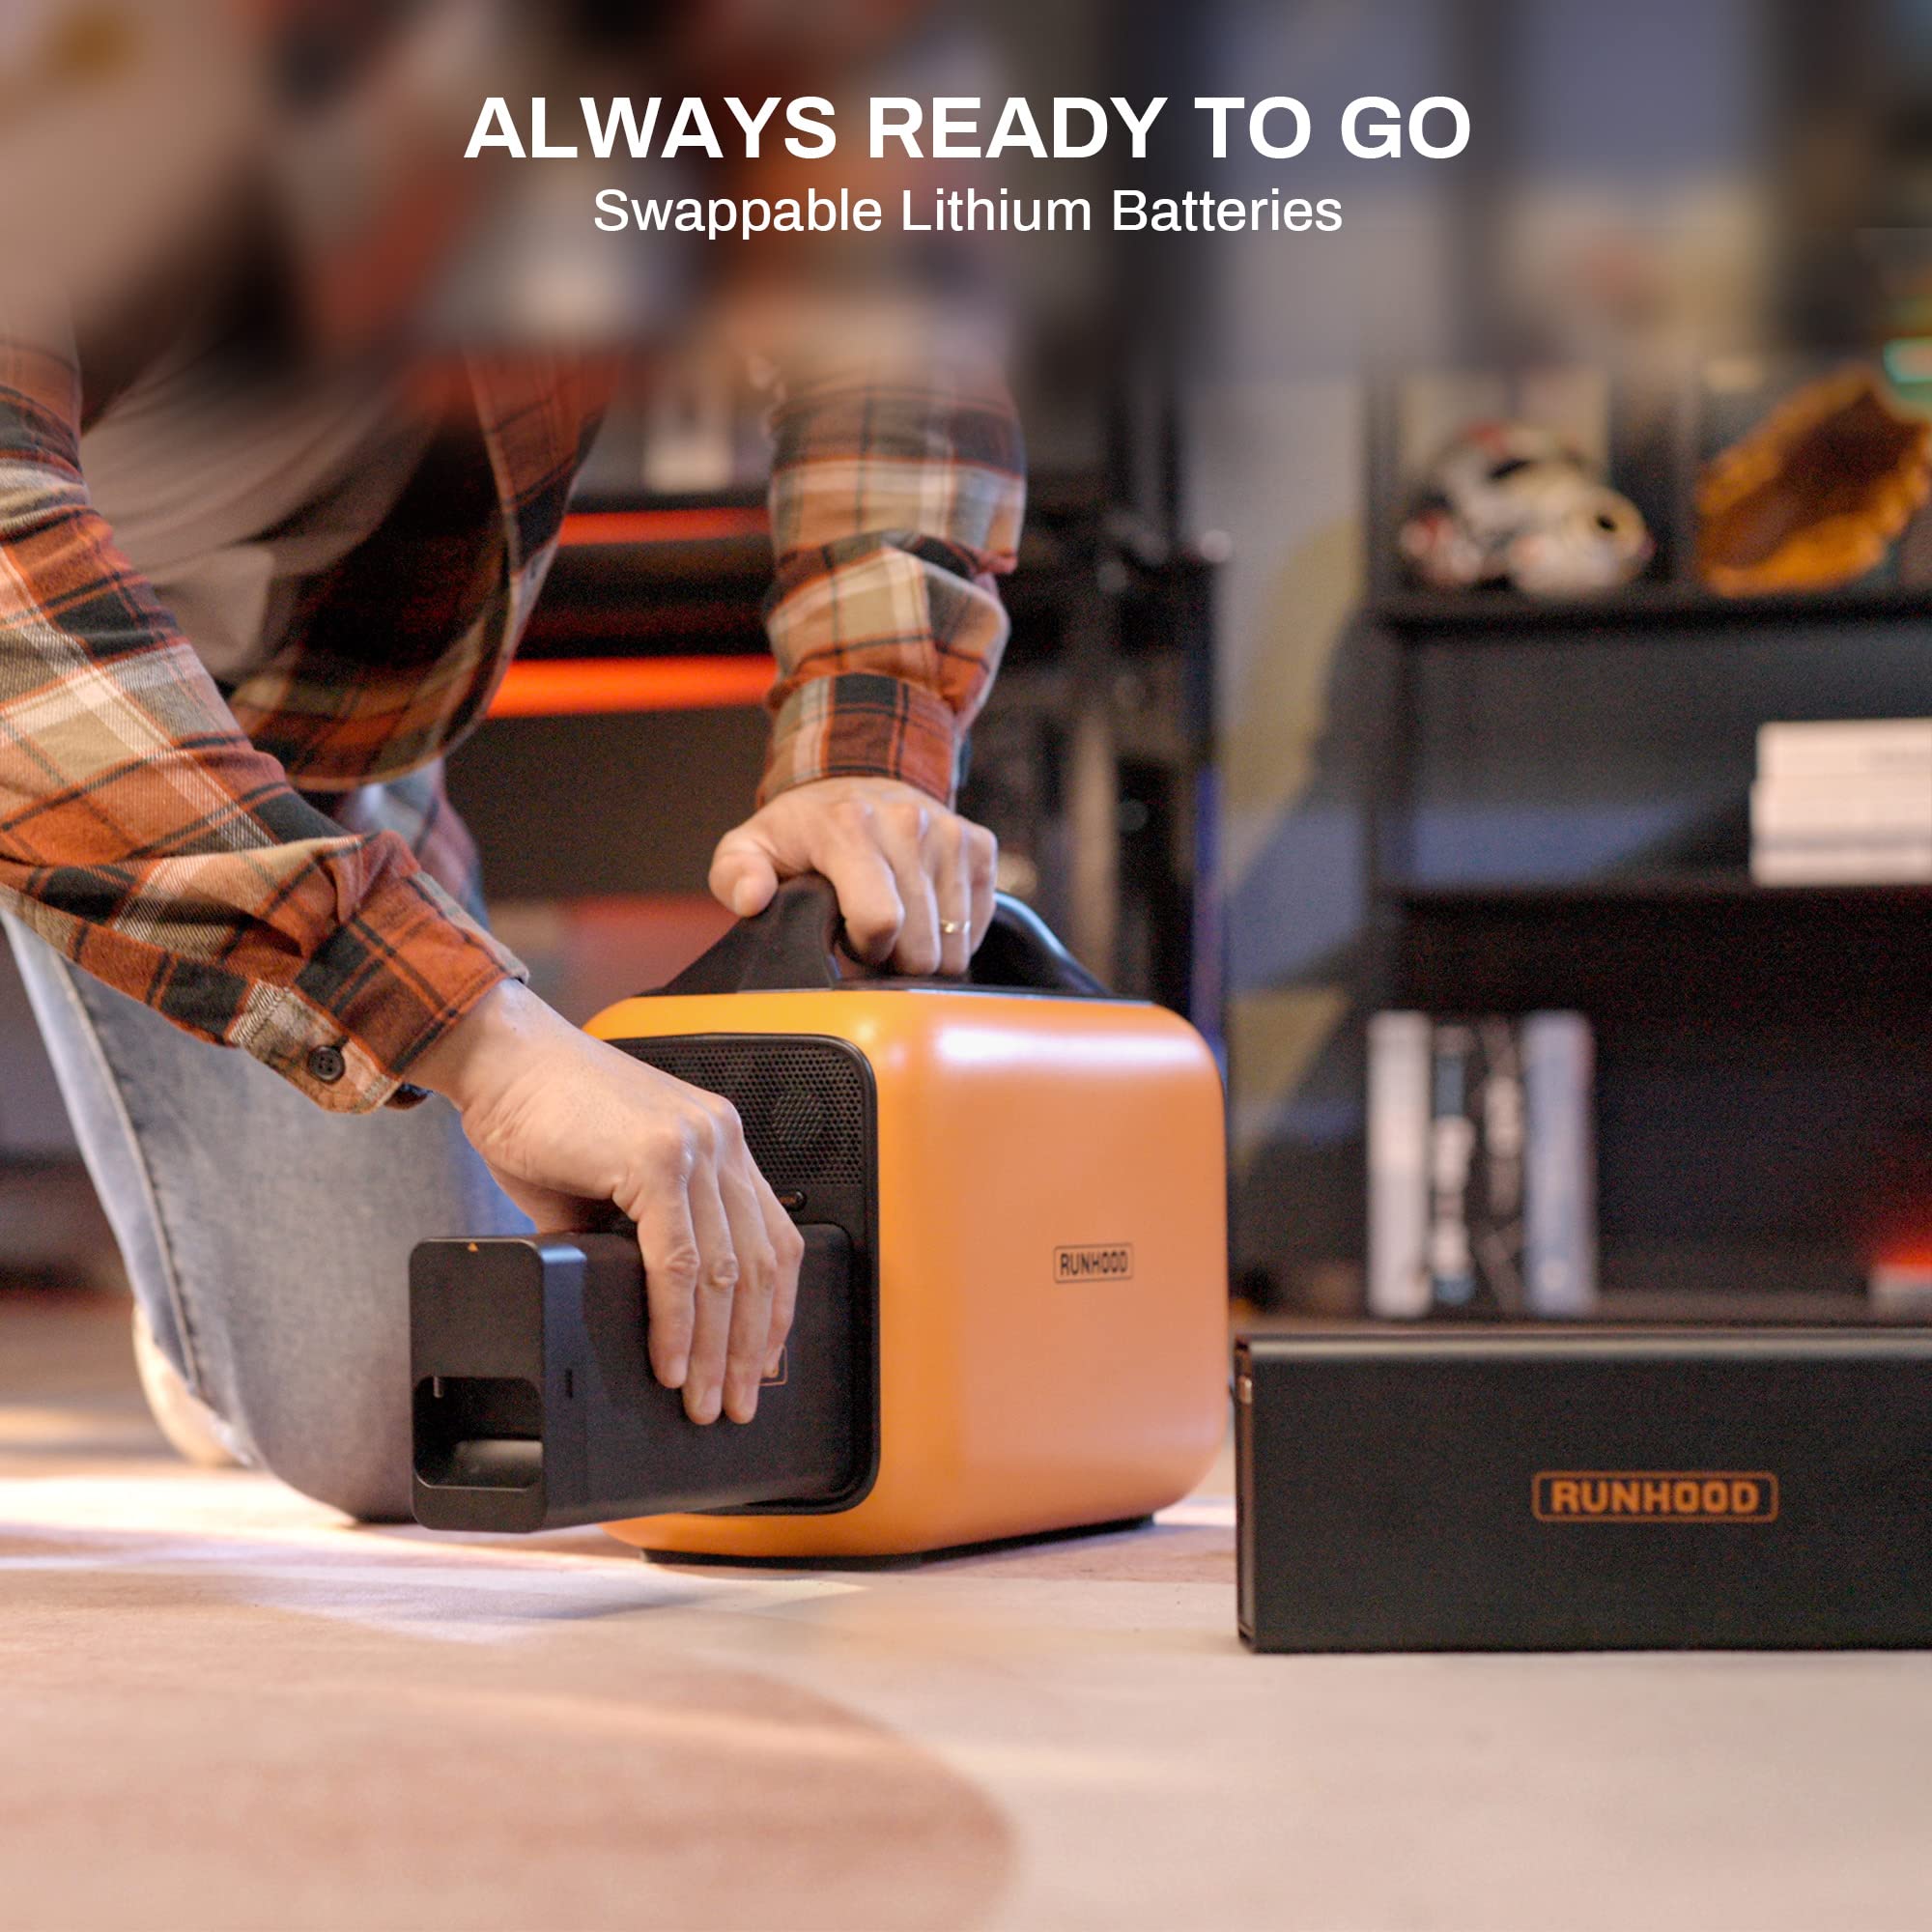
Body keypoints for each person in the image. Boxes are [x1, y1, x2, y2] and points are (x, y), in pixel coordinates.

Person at [0, 1, 1020, 1520]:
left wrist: (868, 739)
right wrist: (475, 1034)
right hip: (47, 651)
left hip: (262, 711)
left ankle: (206, 1242)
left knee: (405, 1408)